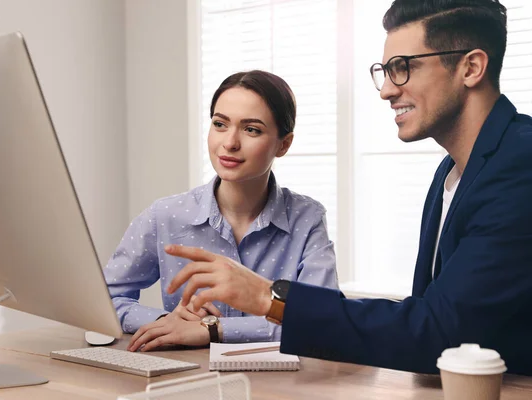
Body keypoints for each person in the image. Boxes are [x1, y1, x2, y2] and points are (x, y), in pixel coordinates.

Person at [165, 0, 532, 376]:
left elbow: (439, 330)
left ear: (471, 67)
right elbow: (432, 314)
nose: (386, 90)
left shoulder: (521, 164)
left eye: (403, 68)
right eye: (385, 71)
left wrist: (266, 297)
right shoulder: (451, 172)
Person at [104, 70, 338, 352]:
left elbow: (324, 320)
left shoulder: (307, 218)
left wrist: (213, 330)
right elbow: (106, 299)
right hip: (186, 382)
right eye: (220, 124)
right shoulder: (165, 215)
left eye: (252, 129)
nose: (229, 143)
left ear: (283, 144)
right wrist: (167, 321)